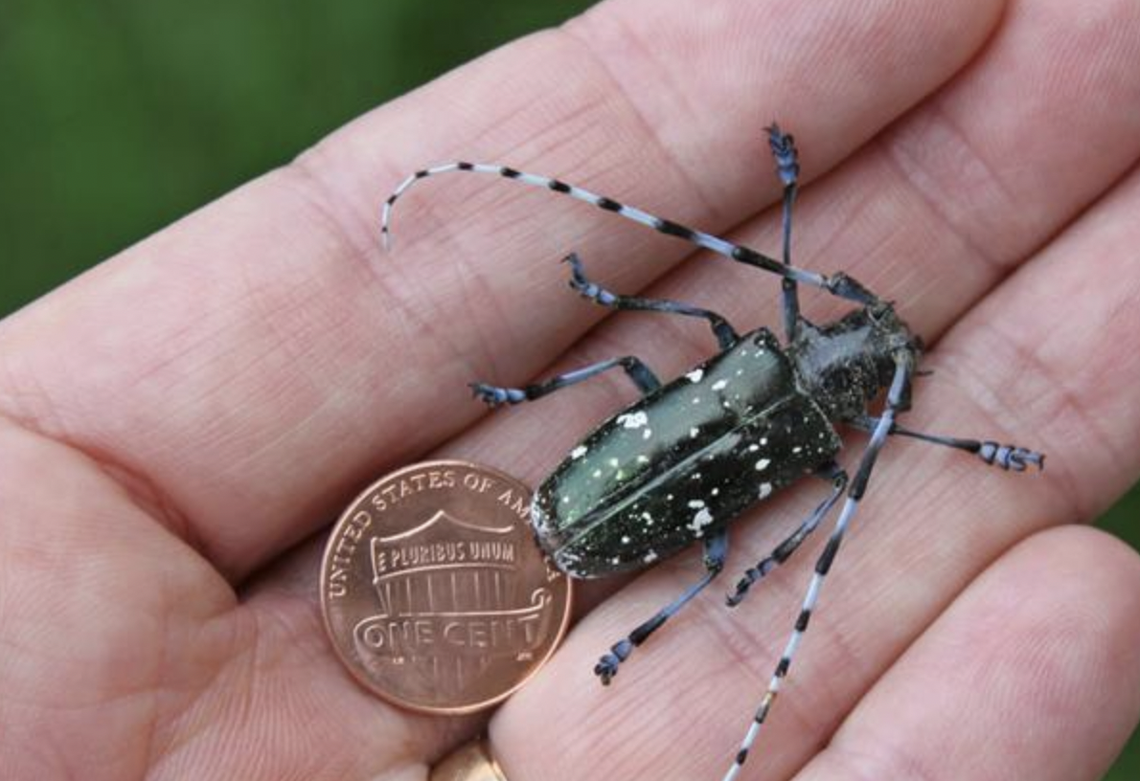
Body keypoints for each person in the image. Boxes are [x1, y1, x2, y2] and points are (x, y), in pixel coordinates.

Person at [2, 0, 1139, 779]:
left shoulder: (771, 371)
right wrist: (805, 542)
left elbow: (803, 463)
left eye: (865, 335)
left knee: (714, 517)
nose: (863, 327)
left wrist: (762, 214)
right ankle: (629, 610)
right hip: (581, 500)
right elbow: (827, 496)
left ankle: (630, 597)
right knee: (725, 544)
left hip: (598, 507)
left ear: (837, 337)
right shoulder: (817, 433)